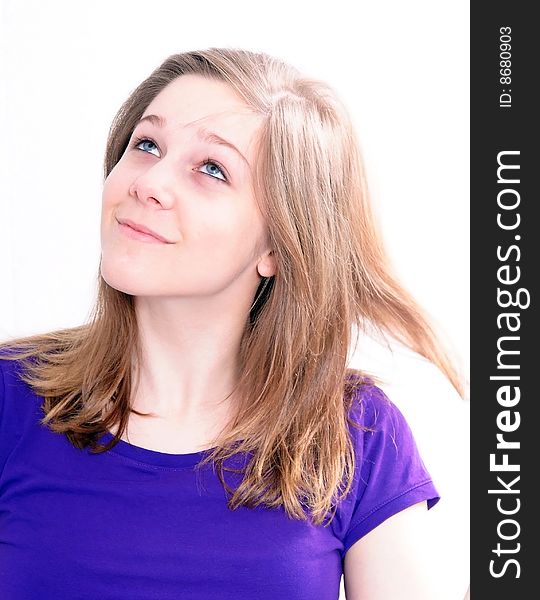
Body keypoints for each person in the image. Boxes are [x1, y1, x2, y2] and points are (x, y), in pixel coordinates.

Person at [0, 48, 466, 599]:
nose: (148, 183)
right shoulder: (11, 395)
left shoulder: (357, 434)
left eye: (211, 169)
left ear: (277, 242)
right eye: (147, 145)